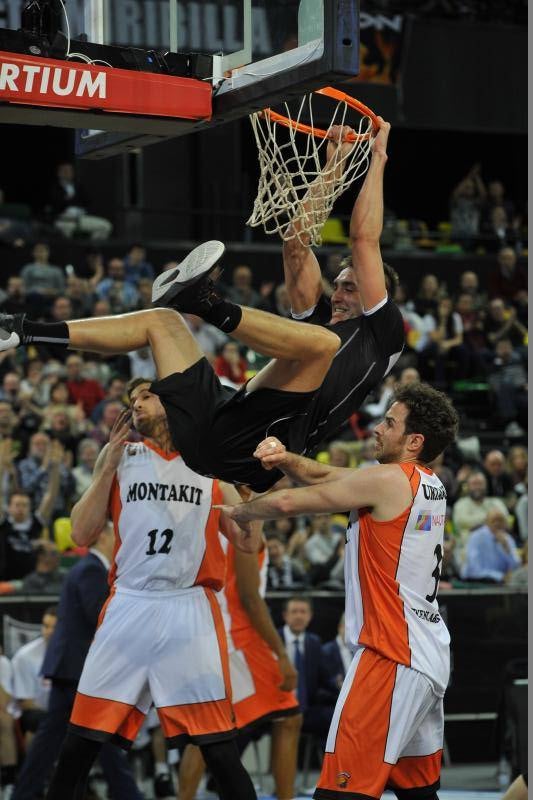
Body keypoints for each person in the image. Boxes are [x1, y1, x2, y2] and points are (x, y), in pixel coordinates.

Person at [0, 119, 399, 493]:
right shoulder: (317, 319)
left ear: (376, 295)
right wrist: (333, 166)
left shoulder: (381, 333)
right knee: (161, 321)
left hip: (262, 451)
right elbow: (297, 244)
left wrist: (378, 159)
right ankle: (23, 330)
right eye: (340, 285)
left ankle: (207, 303)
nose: (340, 294)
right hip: (214, 427)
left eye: (351, 288)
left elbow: (364, 240)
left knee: (322, 345)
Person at [218, 382, 459, 800]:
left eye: (389, 422)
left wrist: (240, 513)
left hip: (391, 654)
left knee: (340, 793)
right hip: (428, 654)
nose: (376, 429)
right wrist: (284, 458)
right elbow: (327, 474)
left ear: (414, 441)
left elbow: (291, 503)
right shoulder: (425, 482)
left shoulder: (388, 480)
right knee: (418, 794)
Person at [43, 378, 259, 800]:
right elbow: (84, 534)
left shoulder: (210, 462)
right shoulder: (122, 457)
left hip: (189, 607)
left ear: (174, 401)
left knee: (218, 749)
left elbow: (248, 542)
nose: (136, 405)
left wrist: (251, 495)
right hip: (131, 603)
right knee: (79, 742)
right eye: (132, 400)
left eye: (145, 395)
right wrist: (106, 466)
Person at [11, 525, 144, 800]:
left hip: (75, 668)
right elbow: (100, 614)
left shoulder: (90, 569)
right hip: (78, 669)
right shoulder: (91, 570)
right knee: (95, 738)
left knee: (68, 740)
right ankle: (126, 794)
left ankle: (28, 793)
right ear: (105, 537)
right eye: (116, 538)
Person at [178, 529, 301, 800]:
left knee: (206, 729)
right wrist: (280, 653)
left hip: (205, 633)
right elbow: (249, 597)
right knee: (289, 716)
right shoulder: (246, 521)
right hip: (238, 637)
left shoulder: (211, 514)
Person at [10, 606, 57, 738]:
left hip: (61, 712)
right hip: (32, 711)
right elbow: (24, 702)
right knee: (50, 723)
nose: (49, 631)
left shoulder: (75, 654)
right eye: (46, 626)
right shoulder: (25, 656)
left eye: (54, 627)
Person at [461, 508, 521, 583]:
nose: (497, 523)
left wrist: (506, 548)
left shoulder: (508, 539)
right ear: (486, 522)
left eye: (500, 520)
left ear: (505, 523)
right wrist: (500, 576)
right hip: (474, 582)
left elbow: (516, 567)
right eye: (494, 521)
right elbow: (474, 569)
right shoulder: (476, 537)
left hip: (499, 583)